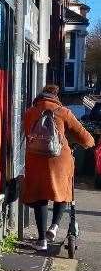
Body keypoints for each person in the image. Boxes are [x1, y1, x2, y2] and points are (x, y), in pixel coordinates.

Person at [22, 84, 94, 251]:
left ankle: (41, 240)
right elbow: (85, 138)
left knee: (40, 196)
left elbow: (27, 134)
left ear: (40, 96)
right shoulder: (63, 112)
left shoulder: (30, 113)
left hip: (35, 160)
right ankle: (54, 227)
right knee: (62, 193)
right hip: (59, 160)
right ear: (56, 97)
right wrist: (87, 142)